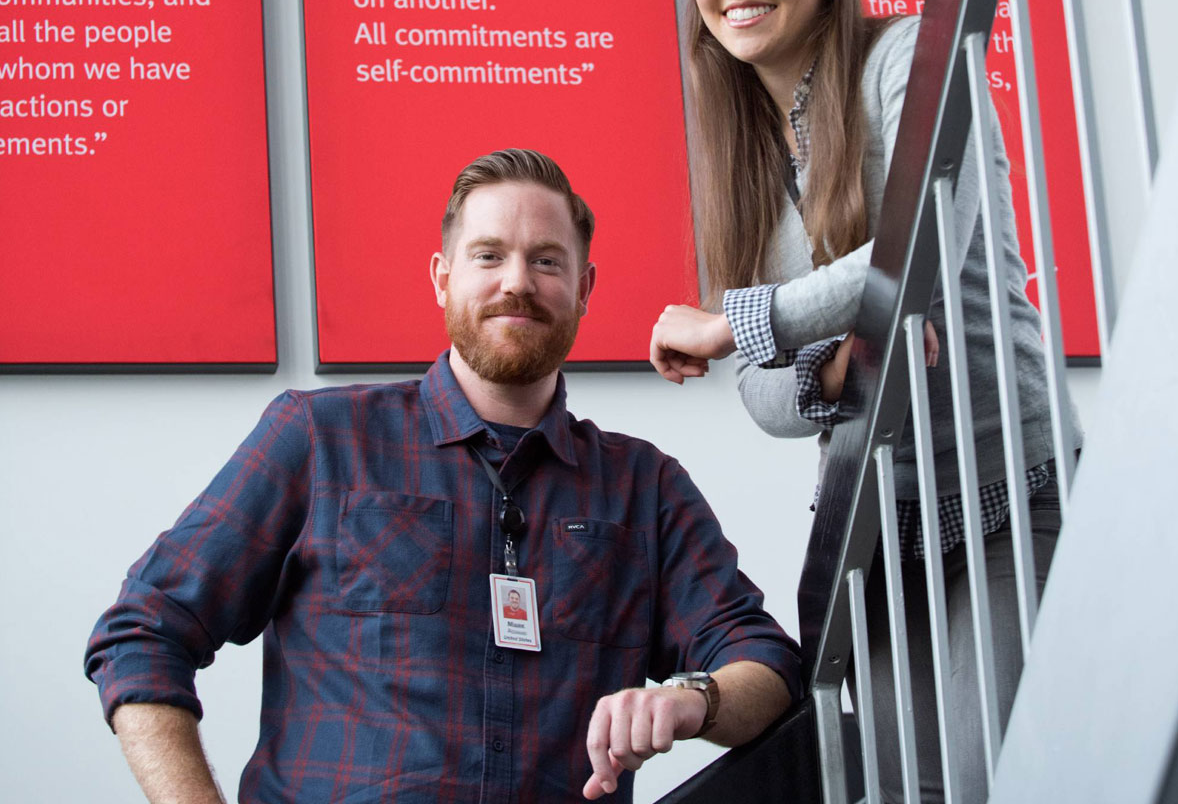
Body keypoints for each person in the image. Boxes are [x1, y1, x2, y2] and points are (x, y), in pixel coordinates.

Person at [85, 148, 802, 804]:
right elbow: (143, 631)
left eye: (547, 262)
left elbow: (765, 665)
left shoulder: (644, 487)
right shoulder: (319, 439)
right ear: (443, 277)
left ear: (584, 289)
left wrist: (693, 699)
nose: (517, 283)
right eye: (489, 255)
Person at [647, 0, 1081, 804]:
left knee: (985, 784)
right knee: (896, 789)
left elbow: (914, 240)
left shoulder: (910, 59)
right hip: (880, 529)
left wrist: (739, 323)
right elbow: (766, 399)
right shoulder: (749, 160)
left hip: (1006, 478)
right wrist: (836, 378)